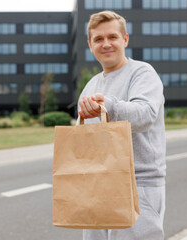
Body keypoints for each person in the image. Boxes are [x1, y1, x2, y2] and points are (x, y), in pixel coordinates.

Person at [78, 11, 166, 240]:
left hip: (137, 184)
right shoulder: (91, 85)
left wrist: (109, 106)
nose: (105, 44)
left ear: (125, 39)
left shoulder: (142, 73)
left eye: (112, 37)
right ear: (90, 45)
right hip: (97, 184)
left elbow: (146, 115)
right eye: (98, 39)